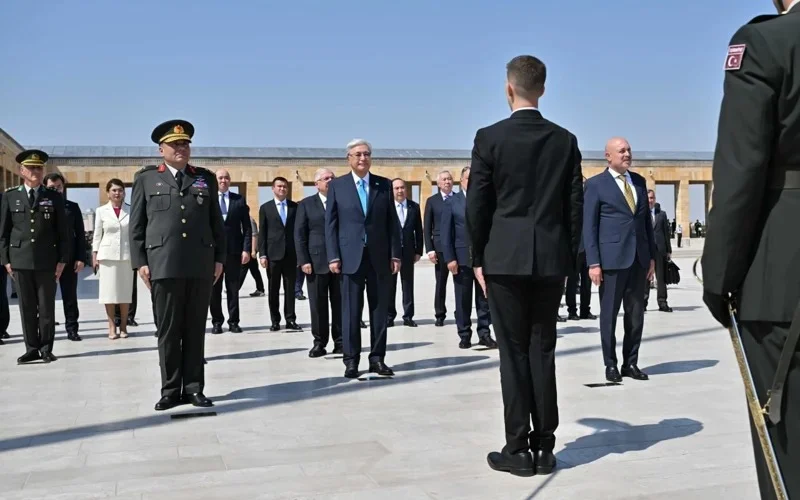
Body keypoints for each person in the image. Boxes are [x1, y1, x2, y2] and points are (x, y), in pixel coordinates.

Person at [702, 1, 800, 497]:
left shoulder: (766, 41)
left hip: (785, 277)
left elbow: (741, 170)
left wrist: (718, 278)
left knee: (787, 452)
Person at [468, 56, 583, 476]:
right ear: (543, 90)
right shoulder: (564, 140)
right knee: (542, 349)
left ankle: (516, 447)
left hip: (503, 259)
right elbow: (574, 205)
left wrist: (476, 257)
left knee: (513, 353)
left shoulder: (489, 138)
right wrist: (567, 258)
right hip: (550, 260)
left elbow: (478, 204)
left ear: (509, 88)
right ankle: (545, 445)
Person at [129, 119, 225, 410]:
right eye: (175, 145)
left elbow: (215, 224)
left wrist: (219, 259)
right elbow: (137, 226)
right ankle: (170, 389)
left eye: (185, 144)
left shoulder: (204, 179)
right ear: (162, 149)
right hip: (163, 265)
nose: (181, 149)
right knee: (169, 331)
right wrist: (140, 263)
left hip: (199, 265)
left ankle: (194, 387)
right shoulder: (146, 179)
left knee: (195, 329)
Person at [325, 138, 401, 379]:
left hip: (379, 258)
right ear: (349, 158)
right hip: (349, 258)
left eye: (366, 154)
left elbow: (392, 224)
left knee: (379, 312)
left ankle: (377, 359)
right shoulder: (338, 186)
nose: (362, 158)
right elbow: (331, 225)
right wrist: (333, 256)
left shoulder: (383, 185)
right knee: (350, 312)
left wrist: (395, 254)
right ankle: (351, 360)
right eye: (357, 154)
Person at [584, 137, 656, 383]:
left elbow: (646, 223)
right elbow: (589, 227)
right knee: (609, 315)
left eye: (628, 150)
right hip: (611, 262)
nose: (627, 154)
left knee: (636, 315)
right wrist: (593, 263)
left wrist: (652, 259)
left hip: (639, 260)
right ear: (608, 156)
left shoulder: (639, 182)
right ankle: (610, 364)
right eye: (621, 151)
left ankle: (630, 363)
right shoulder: (595, 185)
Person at [0, 150, 69, 364]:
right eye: (31, 168)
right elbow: (3, 232)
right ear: (22, 171)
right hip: (19, 260)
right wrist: (6, 260)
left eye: (39, 167)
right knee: (27, 306)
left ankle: (46, 348)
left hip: (47, 260)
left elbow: (63, 232)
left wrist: (62, 260)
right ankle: (31, 348)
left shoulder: (53, 197)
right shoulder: (10, 196)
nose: (35, 171)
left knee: (46, 307)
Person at [441, 167, 496, 349]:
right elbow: (446, 233)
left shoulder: (486, 200)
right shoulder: (452, 202)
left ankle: (484, 333)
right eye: (467, 178)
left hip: (483, 259)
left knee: (483, 298)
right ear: (461, 180)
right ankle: (464, 333)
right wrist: (450, 258)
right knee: (463, 299)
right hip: (461, 258)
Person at [295, 168, 342, 357]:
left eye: (332, 178)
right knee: (318, 306)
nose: (329, 181)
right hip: (315, 263)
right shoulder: (306, 205)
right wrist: (303, 260)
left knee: (340, 304)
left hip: (340, 263)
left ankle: (340, 342)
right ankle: (319, 342)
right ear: (317, 184)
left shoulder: (342, 203)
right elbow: (299, 235)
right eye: (325, 178)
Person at [44, 173, 86, 341]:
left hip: (68, 259)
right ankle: (47, 329)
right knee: (45, 297)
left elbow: (80, 235)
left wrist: (81, 257)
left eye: (58, 187)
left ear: (63, 187)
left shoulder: (72, 207)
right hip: (47, 260)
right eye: (51, 188)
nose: (55, 190)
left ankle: (72, 329)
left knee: (70, 297)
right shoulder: (41, 207)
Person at [209, 169, 251, 334]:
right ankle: (217, 322)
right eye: (220, 178)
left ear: (230, 180)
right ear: (216, 181)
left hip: (234, 251)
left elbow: (247, 227)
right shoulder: (209, 200)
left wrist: (246, 249)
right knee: (215, 289)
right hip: (214, 253)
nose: (223, 180)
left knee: (233, 288)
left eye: (226, 177)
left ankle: (234, 321)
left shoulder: (239, 200)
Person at [92, 178, 134, 340]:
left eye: (120, 190)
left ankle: (123, 326)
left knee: (124, 293)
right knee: (108, 293)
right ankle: (111, 326)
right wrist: (95, 255)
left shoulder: (131, 210)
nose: (117, 193)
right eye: (114, 190)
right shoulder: (101, 211)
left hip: (126, 256)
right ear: (108, 193)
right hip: (107, 256)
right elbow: (97, 235)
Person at [258, 177, 301, 331]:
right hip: (273, 255)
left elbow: (298, 232)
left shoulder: (295, 207)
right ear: (273, 189)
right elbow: (262, 232)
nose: (282, 189)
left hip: (291, 255)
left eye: (284, 187)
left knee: (290, 289)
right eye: (279, 186)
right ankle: (275, 320)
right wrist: (262, 254)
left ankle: (290, 319)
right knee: (273, 289)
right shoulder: (265, 208)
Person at [387, 178, 423, 328]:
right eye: (396, 188)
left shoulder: (414, 207)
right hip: (391, 253)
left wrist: (418, 251)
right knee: (390, 285)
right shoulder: (387, 207)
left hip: (408, 252)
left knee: (408, 284)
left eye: (402, 188)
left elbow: (418, 231)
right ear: (392, 190)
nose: (400, 191)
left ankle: (408, 316)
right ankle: (389, 316)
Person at [423, 170, 455, 326]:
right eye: (444, 179)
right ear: (438, 183)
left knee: (460, 284)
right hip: (440, 249)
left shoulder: (459, 199)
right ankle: (440, 314)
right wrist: (429, 249)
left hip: (457, 248)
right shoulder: (432, 201)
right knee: (440, 283)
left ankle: (461, 313)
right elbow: (427, 227)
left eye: (449, 179)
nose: (447, 182)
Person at [644, 192, 672, 312]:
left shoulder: (662, 214)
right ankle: (643, 302)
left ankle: (662, 302)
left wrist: (669, 250)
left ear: (655, 199)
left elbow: (666, 233)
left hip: (660, 250)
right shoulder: (642, 214)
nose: (650, 200)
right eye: (648, 198)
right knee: (646, 278)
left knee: (661, 278)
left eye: (652, 198)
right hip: (646, 250)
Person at [239, 216, 265, 296]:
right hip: (246, 248)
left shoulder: (250, 220)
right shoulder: (241, 219)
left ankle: (235, 287)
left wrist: (253, 251)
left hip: (250, 249)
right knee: (254, 270)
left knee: (243, 268)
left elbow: (254, 235)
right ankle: (260, 289)